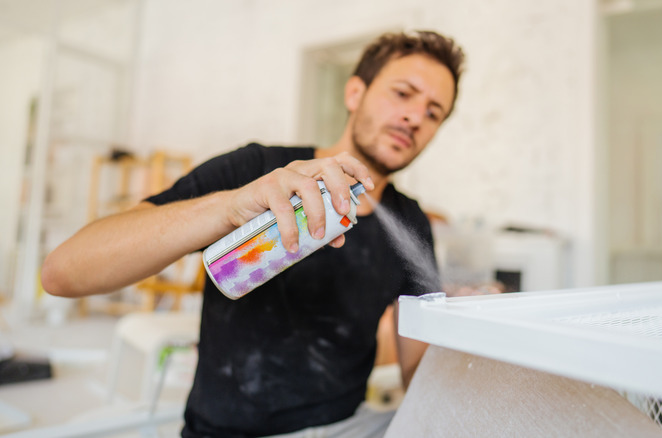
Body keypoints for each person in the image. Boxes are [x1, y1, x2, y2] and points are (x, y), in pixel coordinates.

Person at [42, 30, 465, 437]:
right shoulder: (257, 171)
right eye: (403, 93)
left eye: (433, 113)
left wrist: (469, 327)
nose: (414, 117)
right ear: (355, 93)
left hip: (350, 426)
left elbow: (419, 377)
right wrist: (229, 207)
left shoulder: (410, 225)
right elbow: (62, 272)